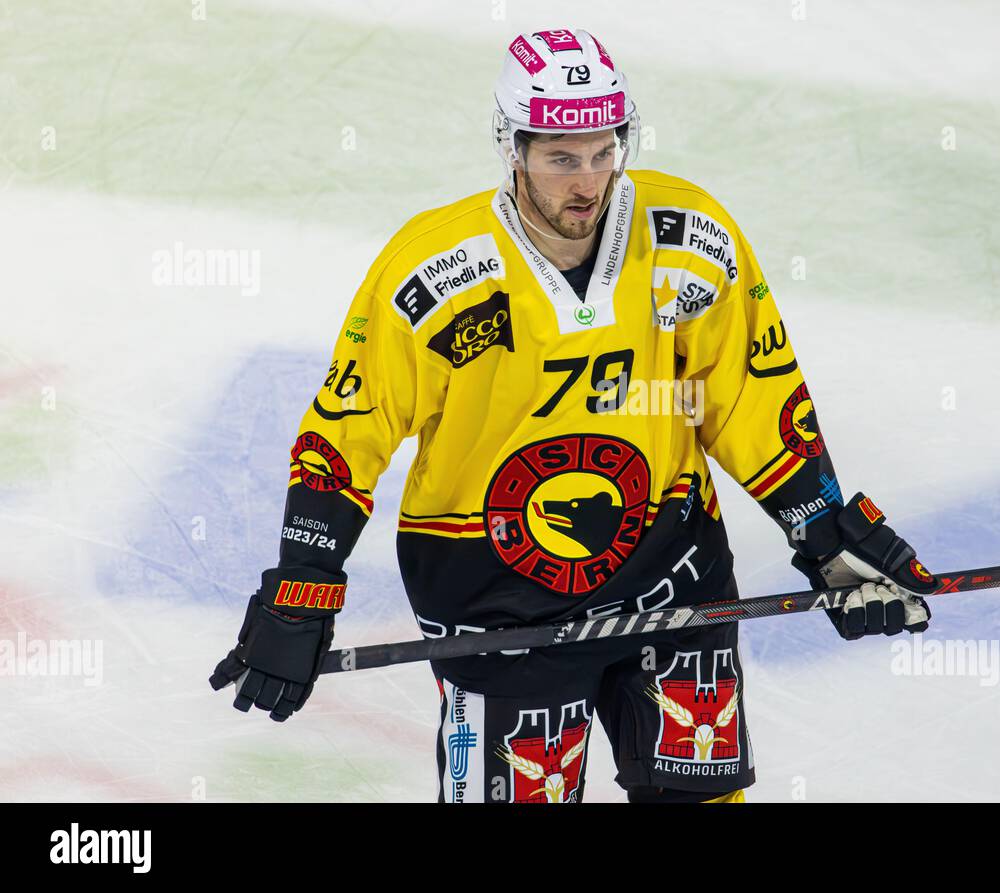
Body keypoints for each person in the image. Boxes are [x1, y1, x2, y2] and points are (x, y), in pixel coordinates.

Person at [210, 27, 938, 804]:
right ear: (511, 146)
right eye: (561, 158)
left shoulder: (690, 241)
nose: (587, 182)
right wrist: (303, 586)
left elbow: (749, 396)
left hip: (671, 574)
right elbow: (347, 436)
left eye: (603, 151)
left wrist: (824, 532)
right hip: (493, 598)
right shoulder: (436, 272)